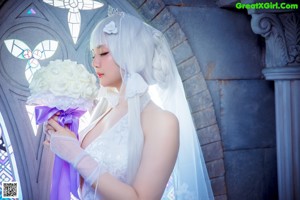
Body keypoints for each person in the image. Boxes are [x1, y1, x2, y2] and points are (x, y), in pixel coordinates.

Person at [45, 12, 214, 200]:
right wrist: (61, 141)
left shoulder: (163, 122)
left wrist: (75, 153)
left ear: (131, 53)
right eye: (93, 55)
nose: (94, 63)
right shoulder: (105, 111)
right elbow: (82, 182)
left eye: (103, 53)